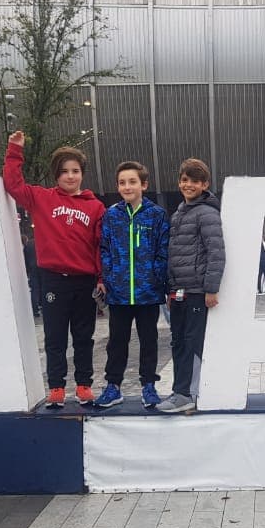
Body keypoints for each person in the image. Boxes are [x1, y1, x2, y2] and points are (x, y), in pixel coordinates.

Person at [3, 131, 105, 408]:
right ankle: (57, 387)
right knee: (55, 337)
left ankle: (84, 385)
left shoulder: (95, 207)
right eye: (64, 172)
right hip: (53, 281)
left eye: (75, 171)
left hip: (84, 282)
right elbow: (13, 184)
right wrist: (15, 150)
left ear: (82, 174)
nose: (70, 176)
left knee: (84, 337)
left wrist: (100, 278)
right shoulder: (41, 198)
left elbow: (100, 246)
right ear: (55, 174)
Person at [95, 161, 170, 410]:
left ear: (144, 185)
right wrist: (110, 276)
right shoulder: (111, 214)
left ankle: (148, 385)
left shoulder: (156, 215)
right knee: (117, 341)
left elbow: (163, 251)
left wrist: (156, 278)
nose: (127, 186)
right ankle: (113, 386)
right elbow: (104, 248)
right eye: (122, 182)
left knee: (149, 340)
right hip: (118, 294)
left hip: (148, 293)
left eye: (132, 181)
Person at [158, 158, 224, 414]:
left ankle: (189, 392)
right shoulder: (179, 213)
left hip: (197, 292)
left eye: (194, 181)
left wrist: (211, 288)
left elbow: (216, 251)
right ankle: (180, 391)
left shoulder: (207, 213)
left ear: (205, 184)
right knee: (178, 342)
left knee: (192, 343)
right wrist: (170, 288)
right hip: (179, 291)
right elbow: (174, 253)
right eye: (185, 180)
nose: (188, 185)